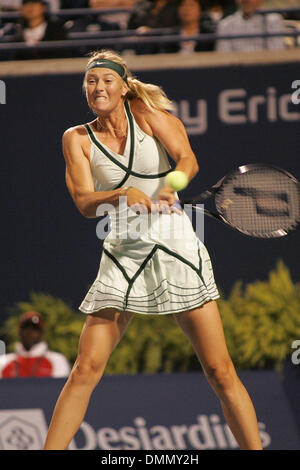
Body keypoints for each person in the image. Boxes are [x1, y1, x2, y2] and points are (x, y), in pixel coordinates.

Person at [43, 49, 263, 450]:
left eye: (106, 81)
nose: (97, 88)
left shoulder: (145, 114)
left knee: (219, 369)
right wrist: (123, 194)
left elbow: (187, 159)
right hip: (123, 252)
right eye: (91, 82)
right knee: (85, 369)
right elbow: (83, 203)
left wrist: (171, 184)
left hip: (175, 245)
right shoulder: (76, 139)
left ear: (124, 87)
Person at [0, 311, 71, 378]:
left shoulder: (57, 361)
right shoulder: (3, 362)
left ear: (42, 333)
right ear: (19, 332)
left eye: (35, 329)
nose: (29, 332)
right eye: (26, 328)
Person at [216, 0, 285, 52]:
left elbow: (277, 54)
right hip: (236, 69)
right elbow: (224, 59)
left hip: (267, 68)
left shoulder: (273, 20)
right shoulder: (225, 25)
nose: (246, 0)